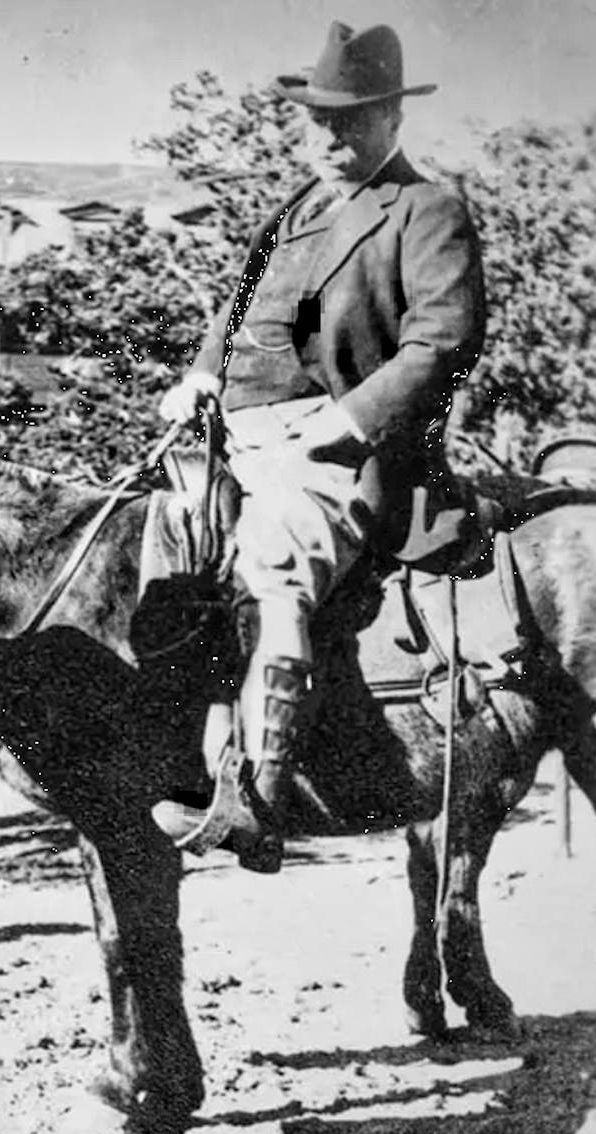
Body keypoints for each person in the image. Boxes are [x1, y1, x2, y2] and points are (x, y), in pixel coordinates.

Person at [157, 21, 486, 870]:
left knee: (274, 561)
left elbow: (443, 339)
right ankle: (167, 750)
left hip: (335, 447)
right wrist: (200, 375)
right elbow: (234, 316)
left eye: (351, 121)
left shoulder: (426, 208)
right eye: (318, 123)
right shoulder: (294, 211)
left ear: (391, 122)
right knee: (147, 547)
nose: (330, 139)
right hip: (230, 435)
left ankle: (257, 796)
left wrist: (349, 424)